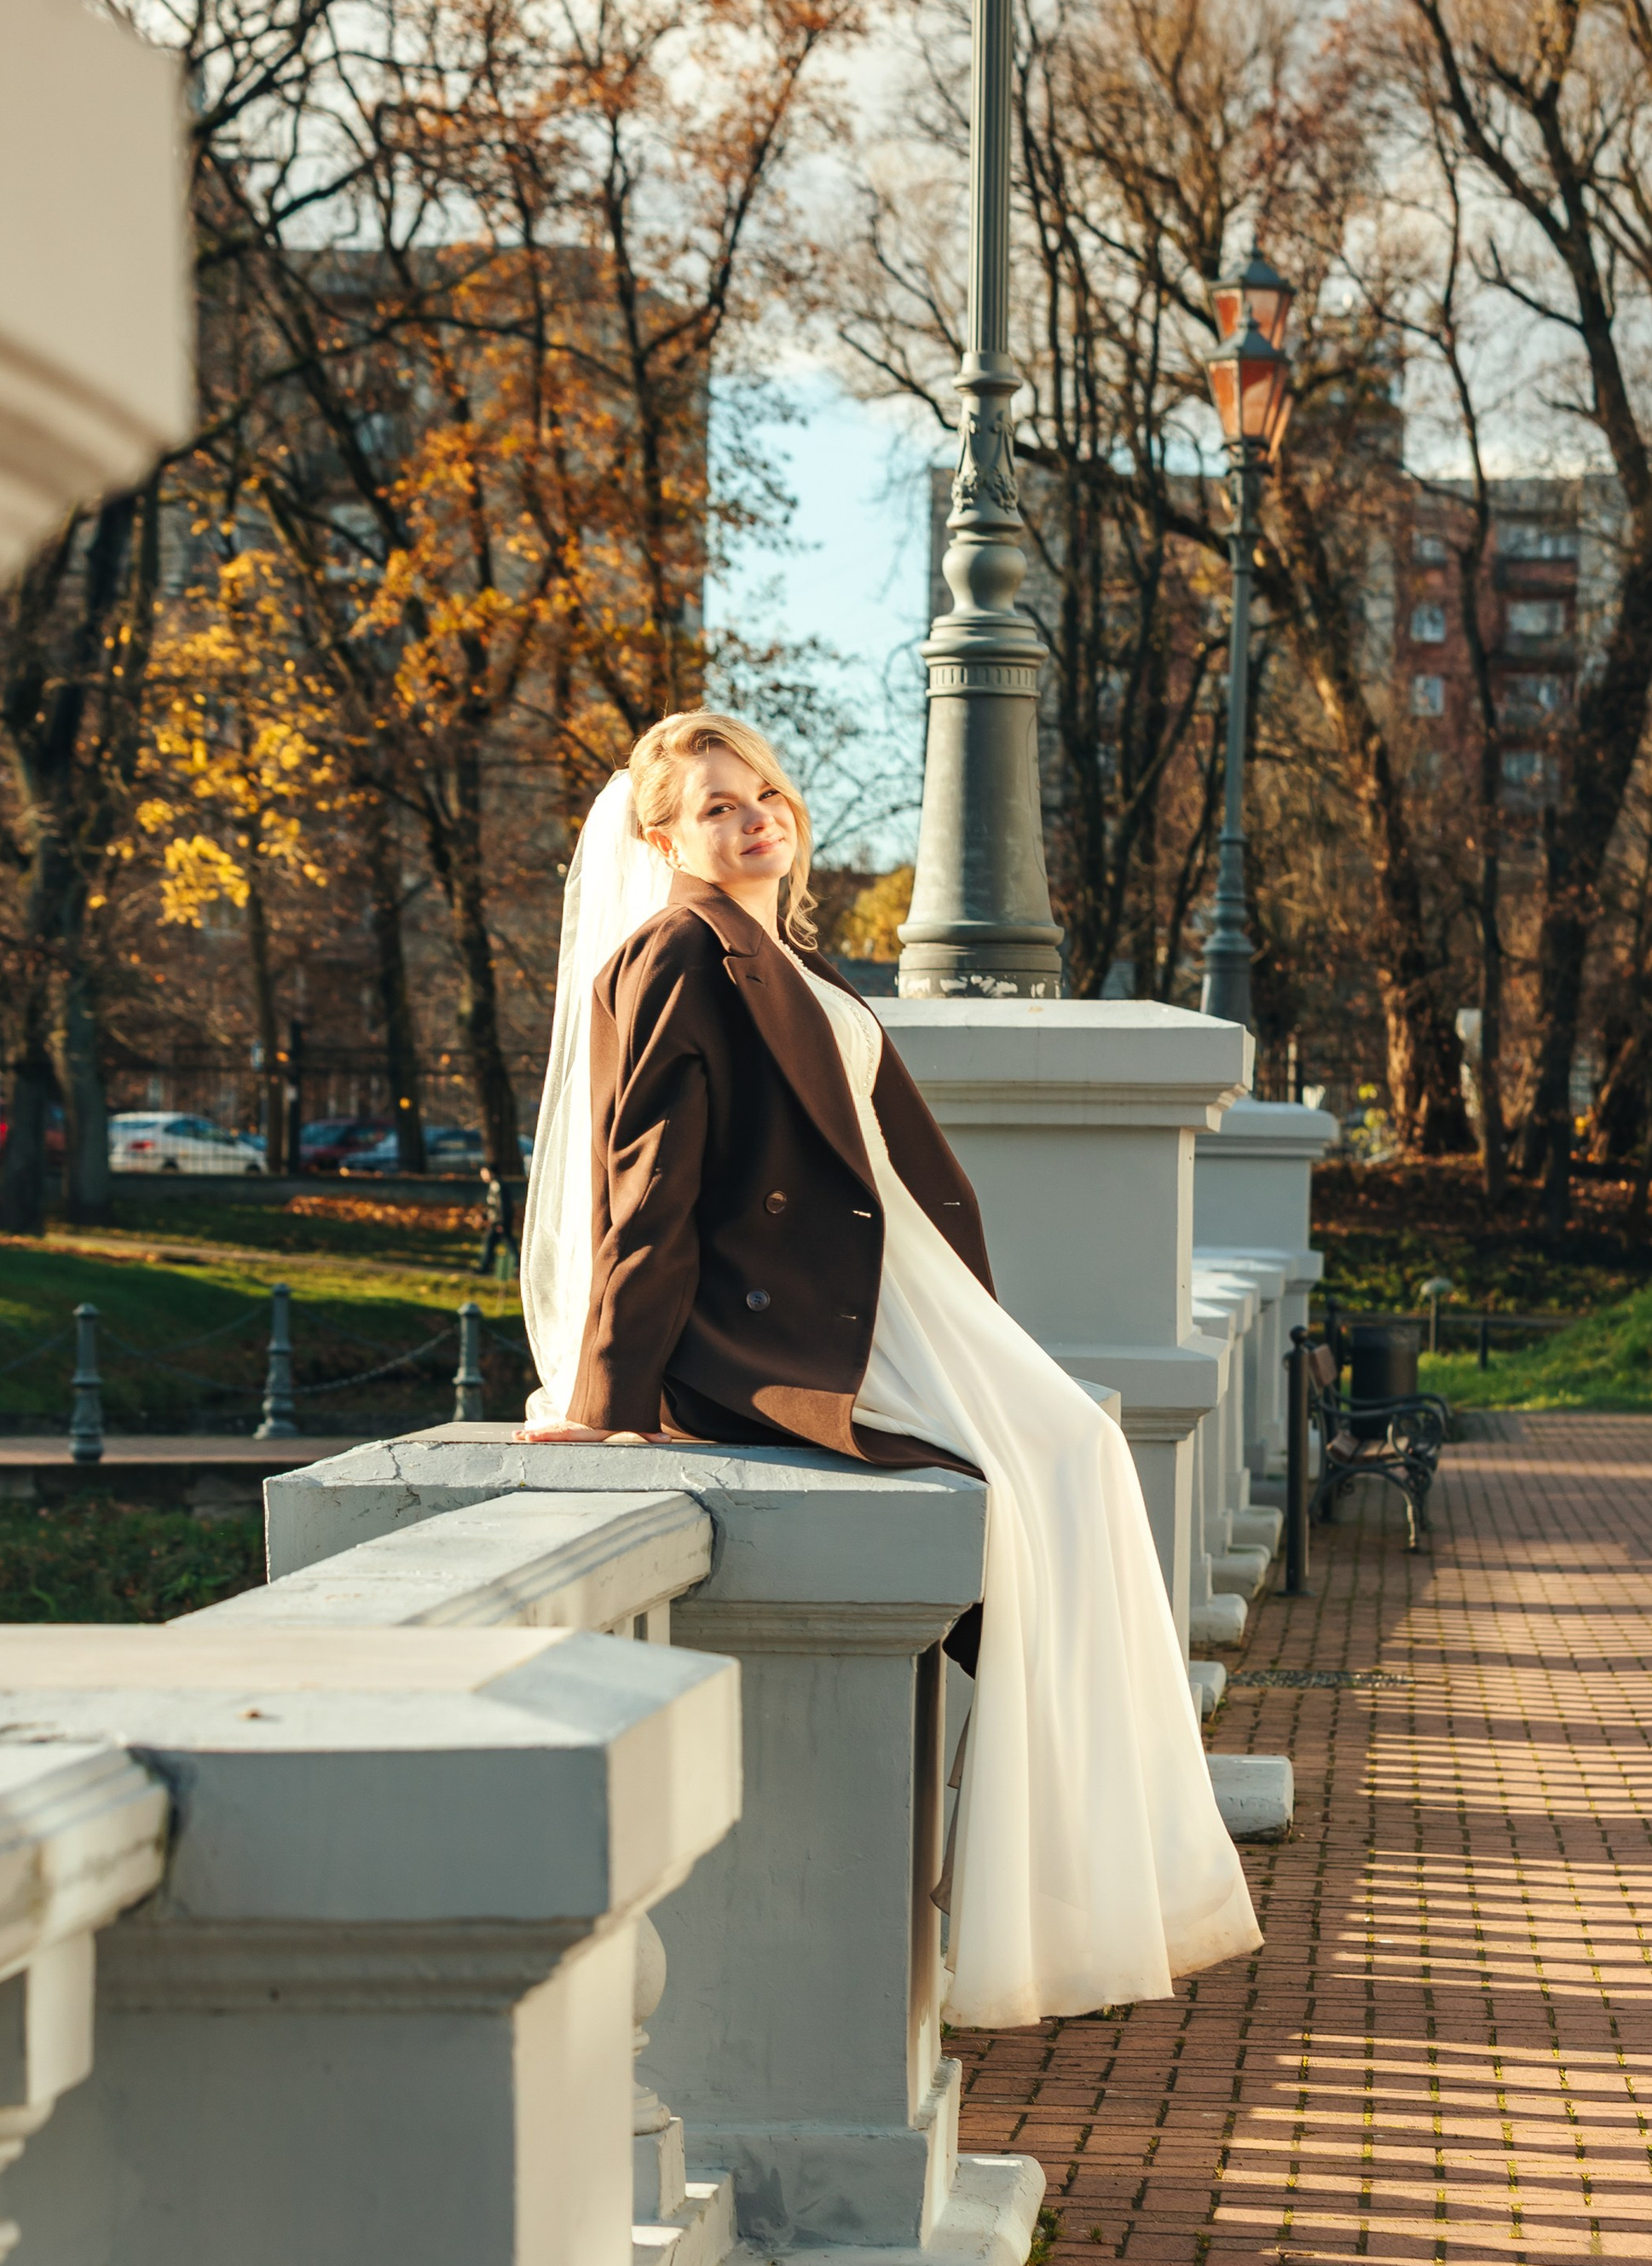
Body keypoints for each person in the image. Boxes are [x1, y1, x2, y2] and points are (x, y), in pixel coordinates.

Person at [519, 708, 1261, 2029]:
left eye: (765, 795)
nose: (756, 819)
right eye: (715, 807)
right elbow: (651, 1195)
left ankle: (1102, 1887)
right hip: (801, 1335)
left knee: (1081, 1467)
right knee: (1048, 1492)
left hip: (906, 1307)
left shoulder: (784, 956)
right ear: (659, 837)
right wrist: (607, 1405)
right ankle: (1042, 1913)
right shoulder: (673, 956)